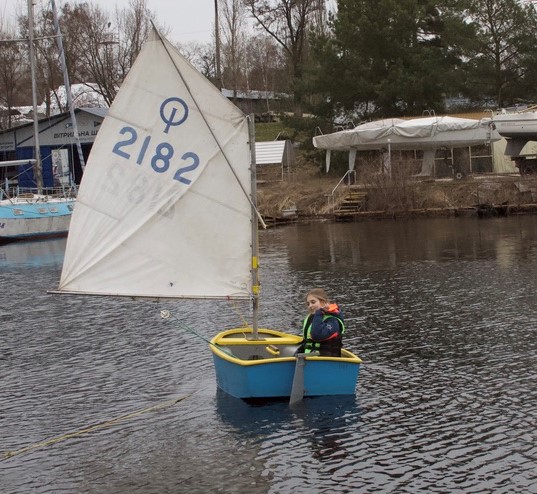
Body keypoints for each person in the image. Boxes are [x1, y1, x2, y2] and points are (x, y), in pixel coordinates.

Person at [301, 288, 345, 357]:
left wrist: (319, 312)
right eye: (308, 304)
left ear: (323, 303)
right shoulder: (311, 318)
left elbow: (317, 335)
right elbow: (306, 342)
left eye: (313, 302)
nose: (310, 306)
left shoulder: (333, 321)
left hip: (325, 362)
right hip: (309, 359)